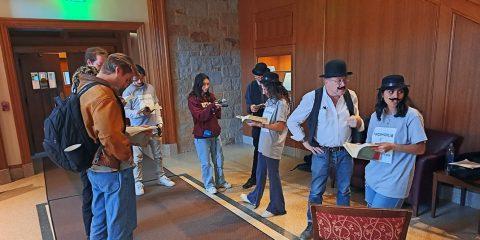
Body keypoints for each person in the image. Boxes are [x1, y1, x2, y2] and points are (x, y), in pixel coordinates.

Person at [286, 59, 364, 240]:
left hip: (345, 150)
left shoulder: (351, 96)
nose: (342, 84)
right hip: (322, 152)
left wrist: (358, 121)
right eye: (338, 80)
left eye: (344, 79)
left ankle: (342, 226)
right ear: (326, 81)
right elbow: (292, 121)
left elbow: (357, 121)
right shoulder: (313, 97)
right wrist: (305, 141)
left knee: (344, 190)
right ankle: (312, 225)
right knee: (316, 191)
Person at [78, 53, 138, 240]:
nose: (126, 84)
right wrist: (126, 154)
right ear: (118, 70)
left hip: (93, 164)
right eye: (127, 79)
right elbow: (110, 137)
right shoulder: (104, 95)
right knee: (121, 222)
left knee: (100, 218)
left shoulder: (85, 86)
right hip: (112, 167)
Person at [365, 74, 427, 209]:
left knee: (379, 223)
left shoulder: (412, 116)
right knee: (370, 220)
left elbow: (420, 148)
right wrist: (358, 149)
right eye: (391, 91)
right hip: (372, 175)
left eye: (400, 91)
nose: (396, 96)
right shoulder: (376, 116)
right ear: (382, 94)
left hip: (395, 180)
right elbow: (370, 145)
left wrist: (394, 146)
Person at [239, 72, 290, 218]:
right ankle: (254, 198)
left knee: (273, 175)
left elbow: (280, 126)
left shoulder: (282, 103)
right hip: (264, 141)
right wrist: (256, 109)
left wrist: (258, 124)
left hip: (273, 143)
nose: (262, 91)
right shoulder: (271, 101)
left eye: (264, 88)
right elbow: (267, 115)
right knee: (260, 171)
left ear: (271, 88)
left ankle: (277, 207)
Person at [70, 47, 107, 238]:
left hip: (88, 143)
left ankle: (95, 231)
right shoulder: (87, 85)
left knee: (93, 191)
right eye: (101, 65)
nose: (103, 69)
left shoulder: (83, 83)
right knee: (90, 191)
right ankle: (93, 233)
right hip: (87, 145)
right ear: (90, 63)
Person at [123, 64, 175, 196]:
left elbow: (156, 105)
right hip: (138, 128)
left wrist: (160, 122)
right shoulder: (128, 91)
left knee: (157, 154)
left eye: (141, 78)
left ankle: (161, 176)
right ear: (131, 78)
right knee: (138, 157)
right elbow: (125, 111)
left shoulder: (150, 88)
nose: (139, 81)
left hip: (153, 126)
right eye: (136, 79)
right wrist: (138, 113)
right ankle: (138, 182)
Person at [188, 73, 231, 194]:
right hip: (201, 136)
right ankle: (209, 184)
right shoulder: (192, 99)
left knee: (219, 159)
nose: (206, 87)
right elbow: (199, 116)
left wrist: (217, 107)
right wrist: (212, 106)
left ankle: (221, 181)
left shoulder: (211, 96)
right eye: (204, 84)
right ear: (198, 84)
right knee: (206, 163)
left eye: (208, 84)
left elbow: (217, 115)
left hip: (215, 133)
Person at [243, 62, 269, 189]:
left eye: (260, 76)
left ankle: (267, 175)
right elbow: (248, 103)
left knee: (269, 151)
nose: (258, 78)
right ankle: (254, 177)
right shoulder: (251, 86)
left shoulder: (271, 84)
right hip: (257, 123)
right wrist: (251, 107)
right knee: (257, 150)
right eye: (256, 76)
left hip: (270, 124)